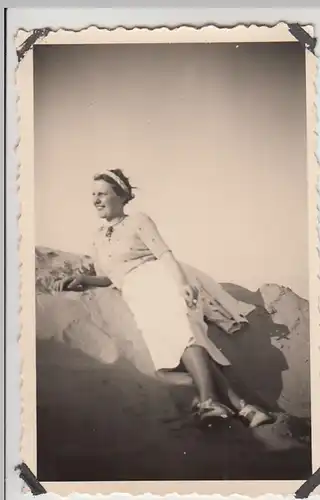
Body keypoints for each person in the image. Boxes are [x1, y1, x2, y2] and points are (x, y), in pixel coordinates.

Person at [53, 168, 273, 428]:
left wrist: (183, 285)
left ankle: (209, 402)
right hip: (135, 292)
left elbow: (165, 254)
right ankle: (244, 407)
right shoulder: (97, 237)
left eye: (102, 193)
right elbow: (109, 277)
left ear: (121, 196)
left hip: (158, 280)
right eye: (93, 195)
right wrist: (85, 280)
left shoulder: (138, 220)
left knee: (182, 331)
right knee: (168, 360)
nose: (96, 200)